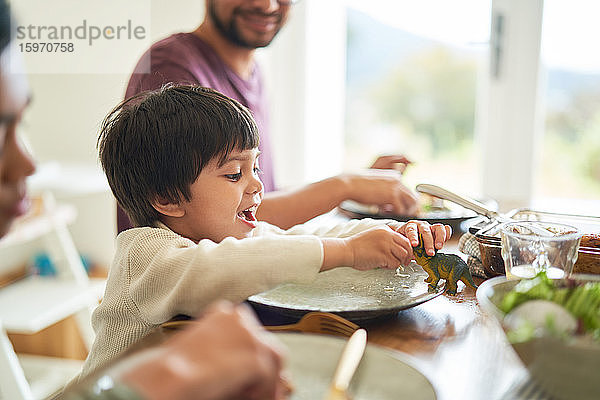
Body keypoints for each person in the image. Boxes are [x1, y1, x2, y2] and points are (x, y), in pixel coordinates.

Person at [0, 3, 289, 399]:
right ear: (168, 198)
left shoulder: (255, 75)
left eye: (21, 125)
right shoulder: (150, 252)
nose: (29, 166)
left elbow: (272, 235)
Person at [79, 84, 451, 379]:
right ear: (166, 198)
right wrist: (348, 252)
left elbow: (300, 239)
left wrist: (390, 233)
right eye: (233, 174)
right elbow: (220, 269)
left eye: (255, 168)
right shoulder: (145, 254)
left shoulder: (237, 238)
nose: (256, 186)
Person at [120, 0, 418, 232]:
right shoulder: (172, 70)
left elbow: (255, 200)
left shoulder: (254, 72)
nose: (267, 5)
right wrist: (344, 186)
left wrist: (355, 189)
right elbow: (209, 219)